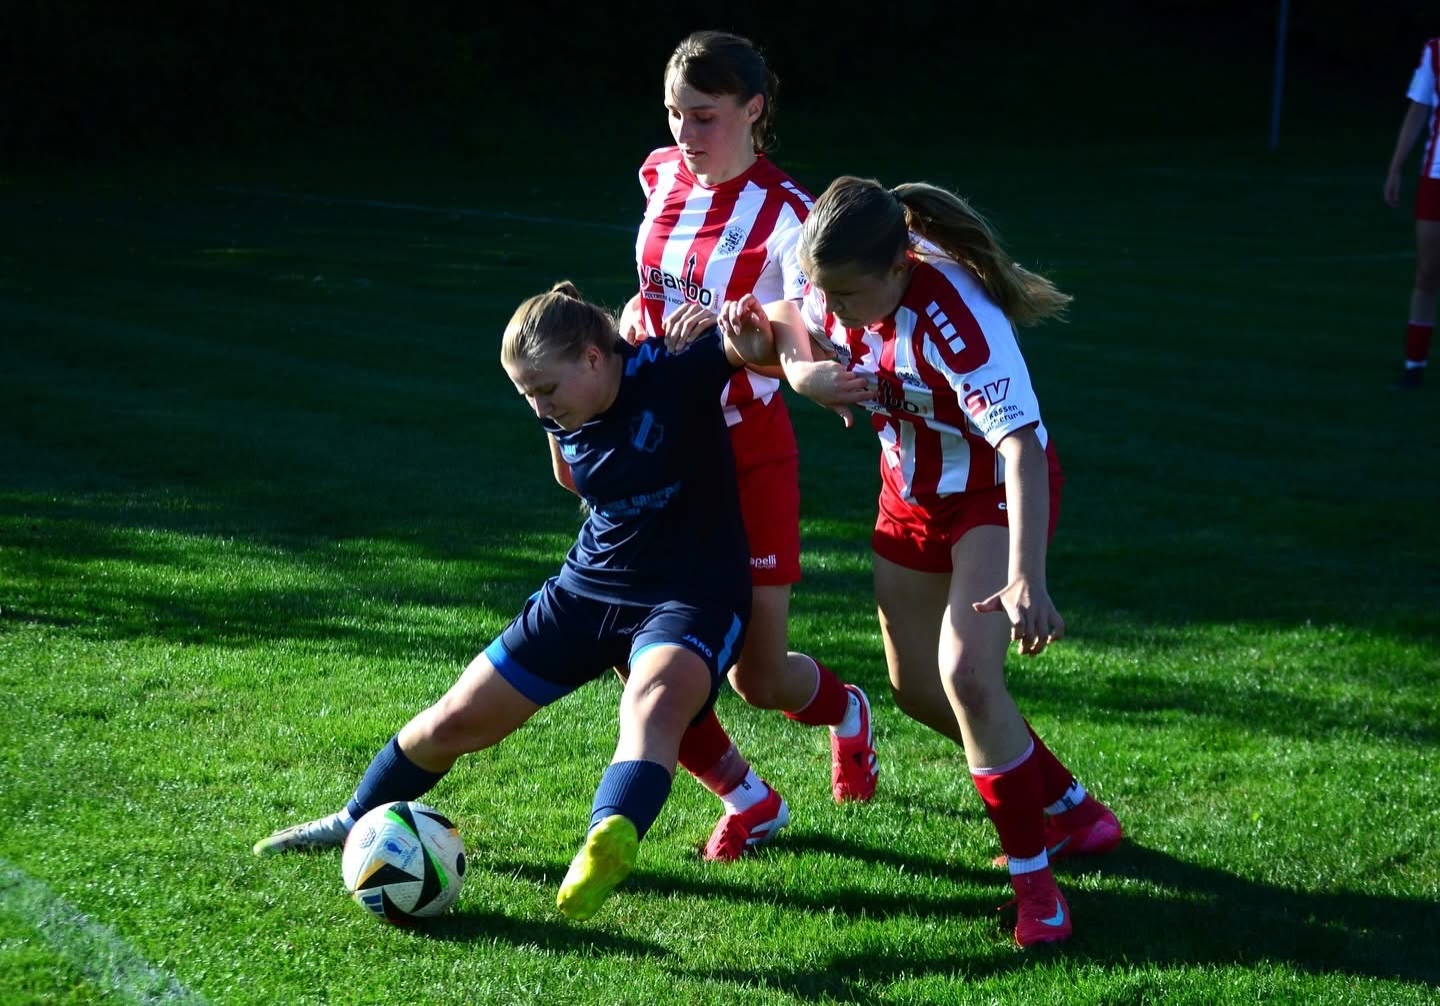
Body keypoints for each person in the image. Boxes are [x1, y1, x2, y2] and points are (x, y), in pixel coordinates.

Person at [253, 282, 776, 922]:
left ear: (593, 357)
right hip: (588, 589)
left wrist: (747, 336)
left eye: (547, 390)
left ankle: (607, 838)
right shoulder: (560, 410)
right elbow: (571, 473)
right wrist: (559, 418)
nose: (539, 408)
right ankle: (353, 820)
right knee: (454, 720)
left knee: (655, 702)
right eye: (527, 395)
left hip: (691, 593)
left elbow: (764, 336)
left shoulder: (671, 368)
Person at [725, 176, 1122, 947]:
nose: (830, 308)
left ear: (899, 266)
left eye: (846, 296)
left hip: (990, 494)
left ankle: (1038, 892)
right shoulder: (823, 271)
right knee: (915, 690)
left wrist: (1026, 575)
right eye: (823, 291)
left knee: (968, 676)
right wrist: (788, 367)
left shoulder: (955, 318)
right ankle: (1074, 810)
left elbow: (1021, 446)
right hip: (908, 493)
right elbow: (782, 318)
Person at [614, 29, 879, 862]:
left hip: (745, 451)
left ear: (754, 110)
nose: (685, 133)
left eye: (705, 116)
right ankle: (749, 798)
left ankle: (847, 710)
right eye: (674, 113)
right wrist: (635, 318)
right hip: (661, 443)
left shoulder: (791, 216)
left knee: (756, 679)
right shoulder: (660, 173)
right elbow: (652, 287)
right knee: (633, 644)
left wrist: (758, 349)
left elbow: (802, 342)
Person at [1384, 35, 1440, 390]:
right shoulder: (1436, 51)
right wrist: (1396, 166)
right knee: (1427, 272)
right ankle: (1414, 365)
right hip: (1437, 175)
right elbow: (1418, 109)